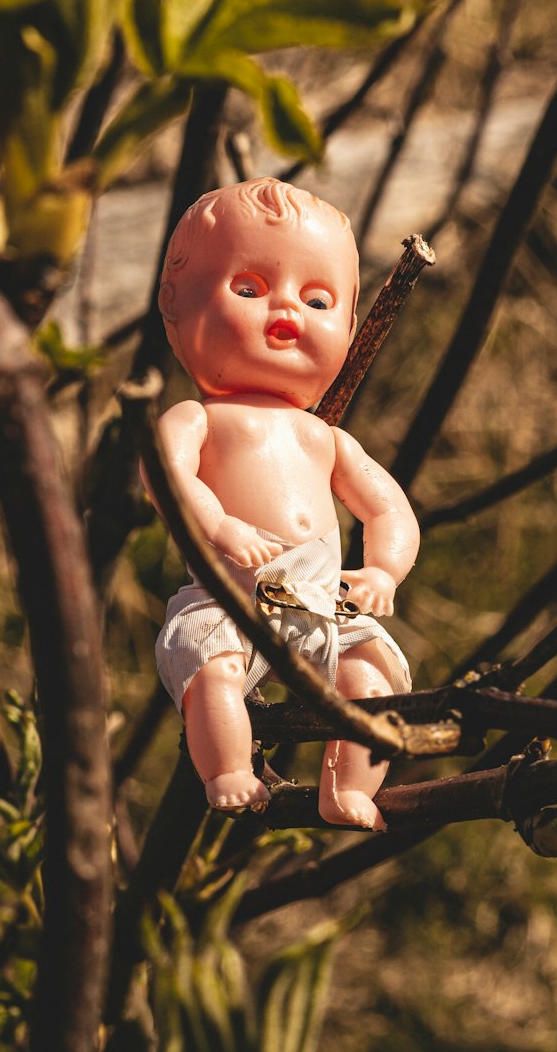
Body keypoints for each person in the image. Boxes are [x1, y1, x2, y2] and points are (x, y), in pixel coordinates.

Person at [150, 177, 419, 831]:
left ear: (350, 326)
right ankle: (230, 770)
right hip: (233, 594)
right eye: (249, 289)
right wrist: (219, 525)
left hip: (318, 596)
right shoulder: (198, 417)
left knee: (374, 678)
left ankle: (347, 788)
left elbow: (390, 510)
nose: (287, 311)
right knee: (209, 665)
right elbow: (166, 476)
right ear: (176, 304)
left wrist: (383, 571)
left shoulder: (322, 437)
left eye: (318, 299)